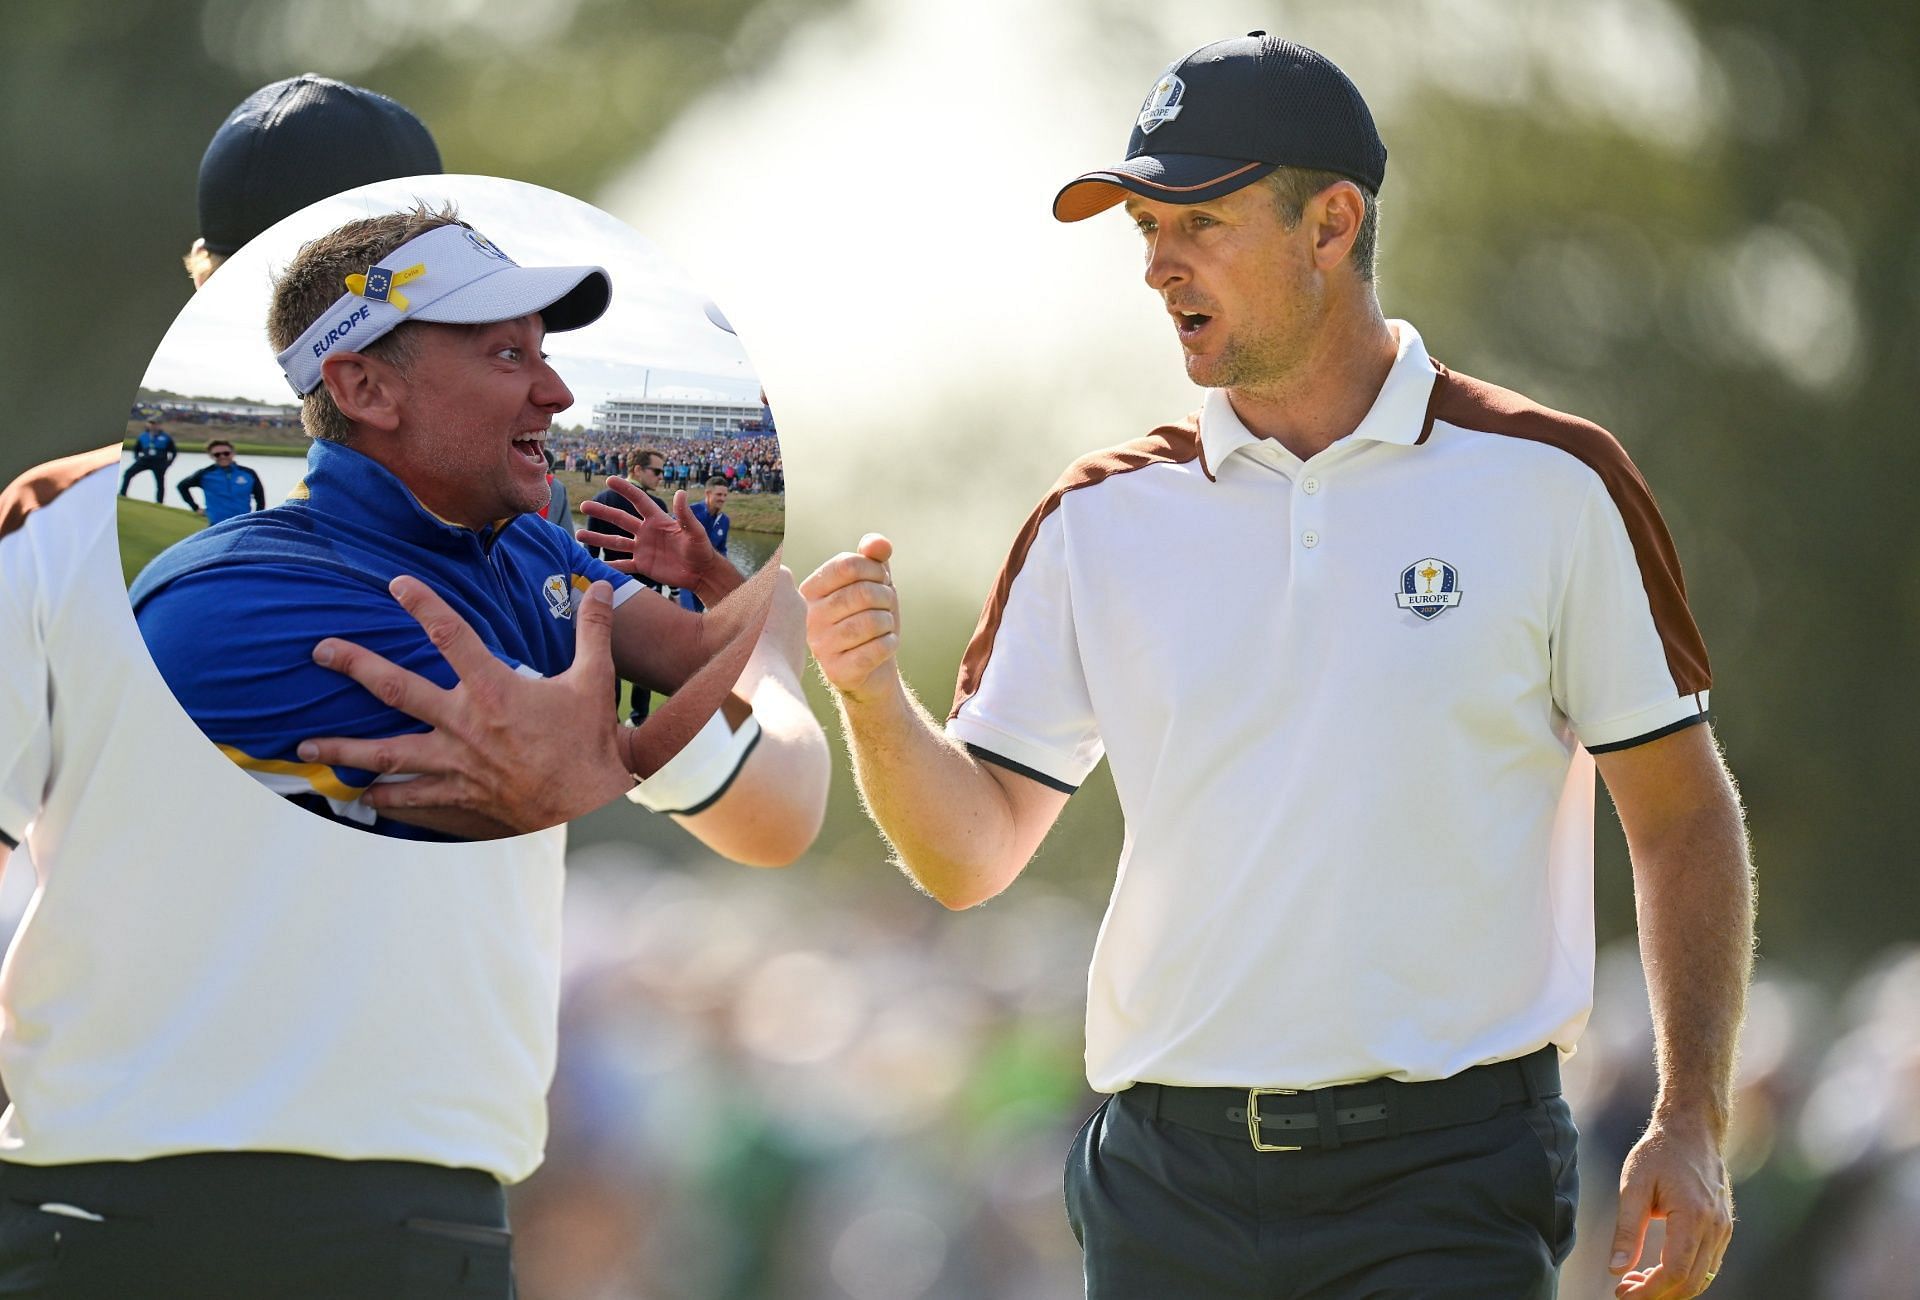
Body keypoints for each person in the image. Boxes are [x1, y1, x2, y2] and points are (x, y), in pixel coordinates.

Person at [802, 32, 1751, 1300]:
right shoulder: (1096, 518)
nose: (1157, 266)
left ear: (1331, 223)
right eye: (1144, 228)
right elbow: (967, 851)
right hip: (1165, 1181)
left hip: (1445, 1177)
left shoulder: (1553, 483)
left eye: (1195, 221)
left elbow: (1683, 817)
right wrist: (871, 698)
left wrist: (1690, 1114)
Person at [0, 80, 826, 1299]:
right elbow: (775, 810)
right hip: (401, 1221)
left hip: (92, 1210)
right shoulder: (526, 568)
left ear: (205, 284)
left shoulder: (53, 528)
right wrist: (765, 645)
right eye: (501, 345)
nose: (549, 391)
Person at [131, 205, 770, 841]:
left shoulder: (523, 534)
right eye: (507, 354)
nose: (558, 392)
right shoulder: (245, 602)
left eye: (541, 352)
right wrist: (797, 599)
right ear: (366, 390)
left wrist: (714, 577)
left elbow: (700, 654)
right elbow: (618, 786)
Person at [175, 438, 266, 523]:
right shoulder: (204, 474)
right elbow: (182, 486)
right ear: (211, 456)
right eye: (217, 454)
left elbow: (260, 498)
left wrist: (257, 516)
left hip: (242, 523)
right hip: (217, 524)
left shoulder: (248, 473)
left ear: (233, 453)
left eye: (226, 453)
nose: (222, 456)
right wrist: (195, 508)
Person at [677, 476, 731, 612]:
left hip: (706, 578)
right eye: (719, 494)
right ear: (708, 493)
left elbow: (721, 549)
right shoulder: (690, 512)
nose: (722, 499)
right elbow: (671, 537)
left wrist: (724, 570)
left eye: (725, 495)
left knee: (699, 615)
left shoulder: (724, 520)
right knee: (687, 614)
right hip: (685, 575)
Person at [117, 419, 175, 501]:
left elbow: (173, 451)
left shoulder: (165, 437)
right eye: (151, 424)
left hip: (159, 462)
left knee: (160, 483)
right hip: (145, 460)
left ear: (159, 425)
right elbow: (136, 449)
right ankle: (122, 494)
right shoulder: (143, 436)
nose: (153, 426)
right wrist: (137, 458)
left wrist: (168, 463)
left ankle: (159, 503)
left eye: (155, 424)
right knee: (128, 473)